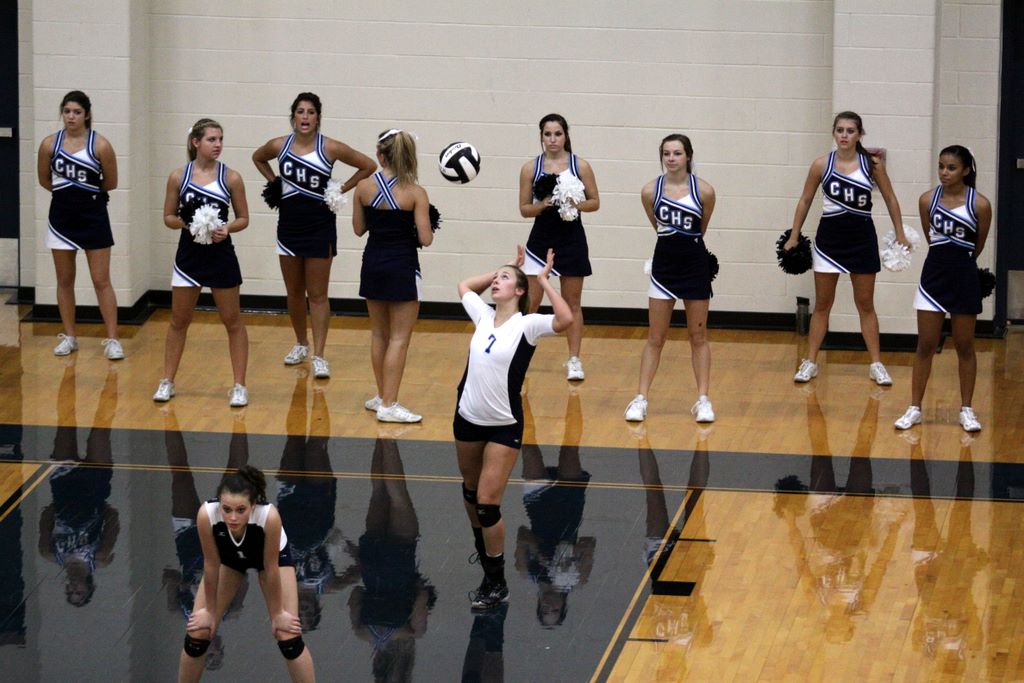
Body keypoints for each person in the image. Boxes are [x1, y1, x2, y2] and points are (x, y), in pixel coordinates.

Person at [454, 246, 572, 610]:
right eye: (496, 278)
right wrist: (501, 269)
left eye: (504, 279)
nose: (496, 282)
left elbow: (565, 319)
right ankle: (484, 553)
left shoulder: (527, 324)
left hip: (504, 424)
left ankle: (496, 581)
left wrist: (543, 281)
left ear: (519, 291)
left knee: (488, 504)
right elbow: (464, 286)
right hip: (467, 417)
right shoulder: (483, 315)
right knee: (470, 492)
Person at [253, 92, 376, 379]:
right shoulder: (279, 145)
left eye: (310, 112)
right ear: (293, 116)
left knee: (318, 294)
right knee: (294, 292)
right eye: (300, 111)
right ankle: (301, 343)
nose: (305, 117)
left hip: (320, 227)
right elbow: (258, 158)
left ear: (318, 117)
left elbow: (368, 165)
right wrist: (275, 183)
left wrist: (340, 189)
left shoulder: (330, 147)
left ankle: (319, 355)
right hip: (289, 226)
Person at [784, 111, 909, 385]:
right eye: (840, 130)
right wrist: (794, 235)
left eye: (850, 131)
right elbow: (805, 200)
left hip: (862, 240)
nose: (844, 135)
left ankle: (876, 364)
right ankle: (810, 361)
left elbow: (890, 198)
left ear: (859, 135)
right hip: (829, 241)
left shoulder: (872, 164)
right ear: (833, 133)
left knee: (865, 304)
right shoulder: (821, 164)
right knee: (822, 304)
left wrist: (900, 232)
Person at [178, 465, 315, 683]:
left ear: (253, 505)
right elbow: (211, 565)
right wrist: (209, 612)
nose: (232, 517)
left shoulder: (269, 517)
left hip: (269, 561)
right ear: (219, 503)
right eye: (226, 509)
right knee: (199, 633)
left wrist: (278, 614)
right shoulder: (206, 515)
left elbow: (270, 569)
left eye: (240, 510)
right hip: (229, 560)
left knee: (288, 637)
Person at [894, 146, 992, 432]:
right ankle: (914, 408)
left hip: (964, 278)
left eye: (951, 168)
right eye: (941, 167)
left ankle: (967, 410)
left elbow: (978, 245)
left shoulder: (980, 205)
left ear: (966, 170)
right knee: (925, 344)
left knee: (965, 345)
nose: (944, 173)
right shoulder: (927, 200)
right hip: (933, 278)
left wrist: (961, 265)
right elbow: (931, 238)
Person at [154, 119, 250, 407]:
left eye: (220, 139)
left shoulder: (231, 178)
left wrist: (227, 228)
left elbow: (243, 218)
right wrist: (186, 223)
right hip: (189, 257)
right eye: (211, 139)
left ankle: (239, 385)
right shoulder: (178, 177)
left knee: (232, 321)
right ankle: (167, 380)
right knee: (178, 321)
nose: (218, 144)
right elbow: (168, 216)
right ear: (196, 142)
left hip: (221, 256)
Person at [624, 134, 717, 424]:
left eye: (677, 153)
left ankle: (703, 400)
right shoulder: (649, 191)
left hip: (695, 266)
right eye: (666, 153)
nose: (671, 158)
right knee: (655, 337)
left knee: (698, 336)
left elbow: (701, 229)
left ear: (688, 156)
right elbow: (658, 227)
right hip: (664, 267)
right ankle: (640, 398)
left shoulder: (704, 191)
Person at [353, 129, 434, 422]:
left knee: (379, 334)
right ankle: (389, 404)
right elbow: (425, 239)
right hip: (402, 267)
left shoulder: (362, 187)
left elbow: (358, 229)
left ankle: (381, 395)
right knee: (399, 338)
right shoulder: (415, 193)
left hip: (373, 263)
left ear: (380, 155)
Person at [36, 90, 123, 359]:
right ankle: (70, 336)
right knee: (64, 280)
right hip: (61, 219)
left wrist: (85, 195)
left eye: (76, 112)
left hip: (93, 218)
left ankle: (113, 339)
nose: (71, 117)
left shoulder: (101, 145)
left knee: (101, 280)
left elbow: (111, 182)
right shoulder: (49, 144)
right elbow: (44, 179)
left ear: (87, 115)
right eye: (67, 111)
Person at [518, 113, 599, 381]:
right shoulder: (530, 168)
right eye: (547, 134)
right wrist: (542, 205)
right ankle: (520, 356)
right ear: (541, 137)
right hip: (540, 240)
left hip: (571, 238)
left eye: (558, 134)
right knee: (531, 302)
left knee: (572, 303)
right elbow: (524, 209)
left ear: (565, 136)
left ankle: (574, 360)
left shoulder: (580, 166)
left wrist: (576, 204)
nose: (552, 139)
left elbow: (595, 202)